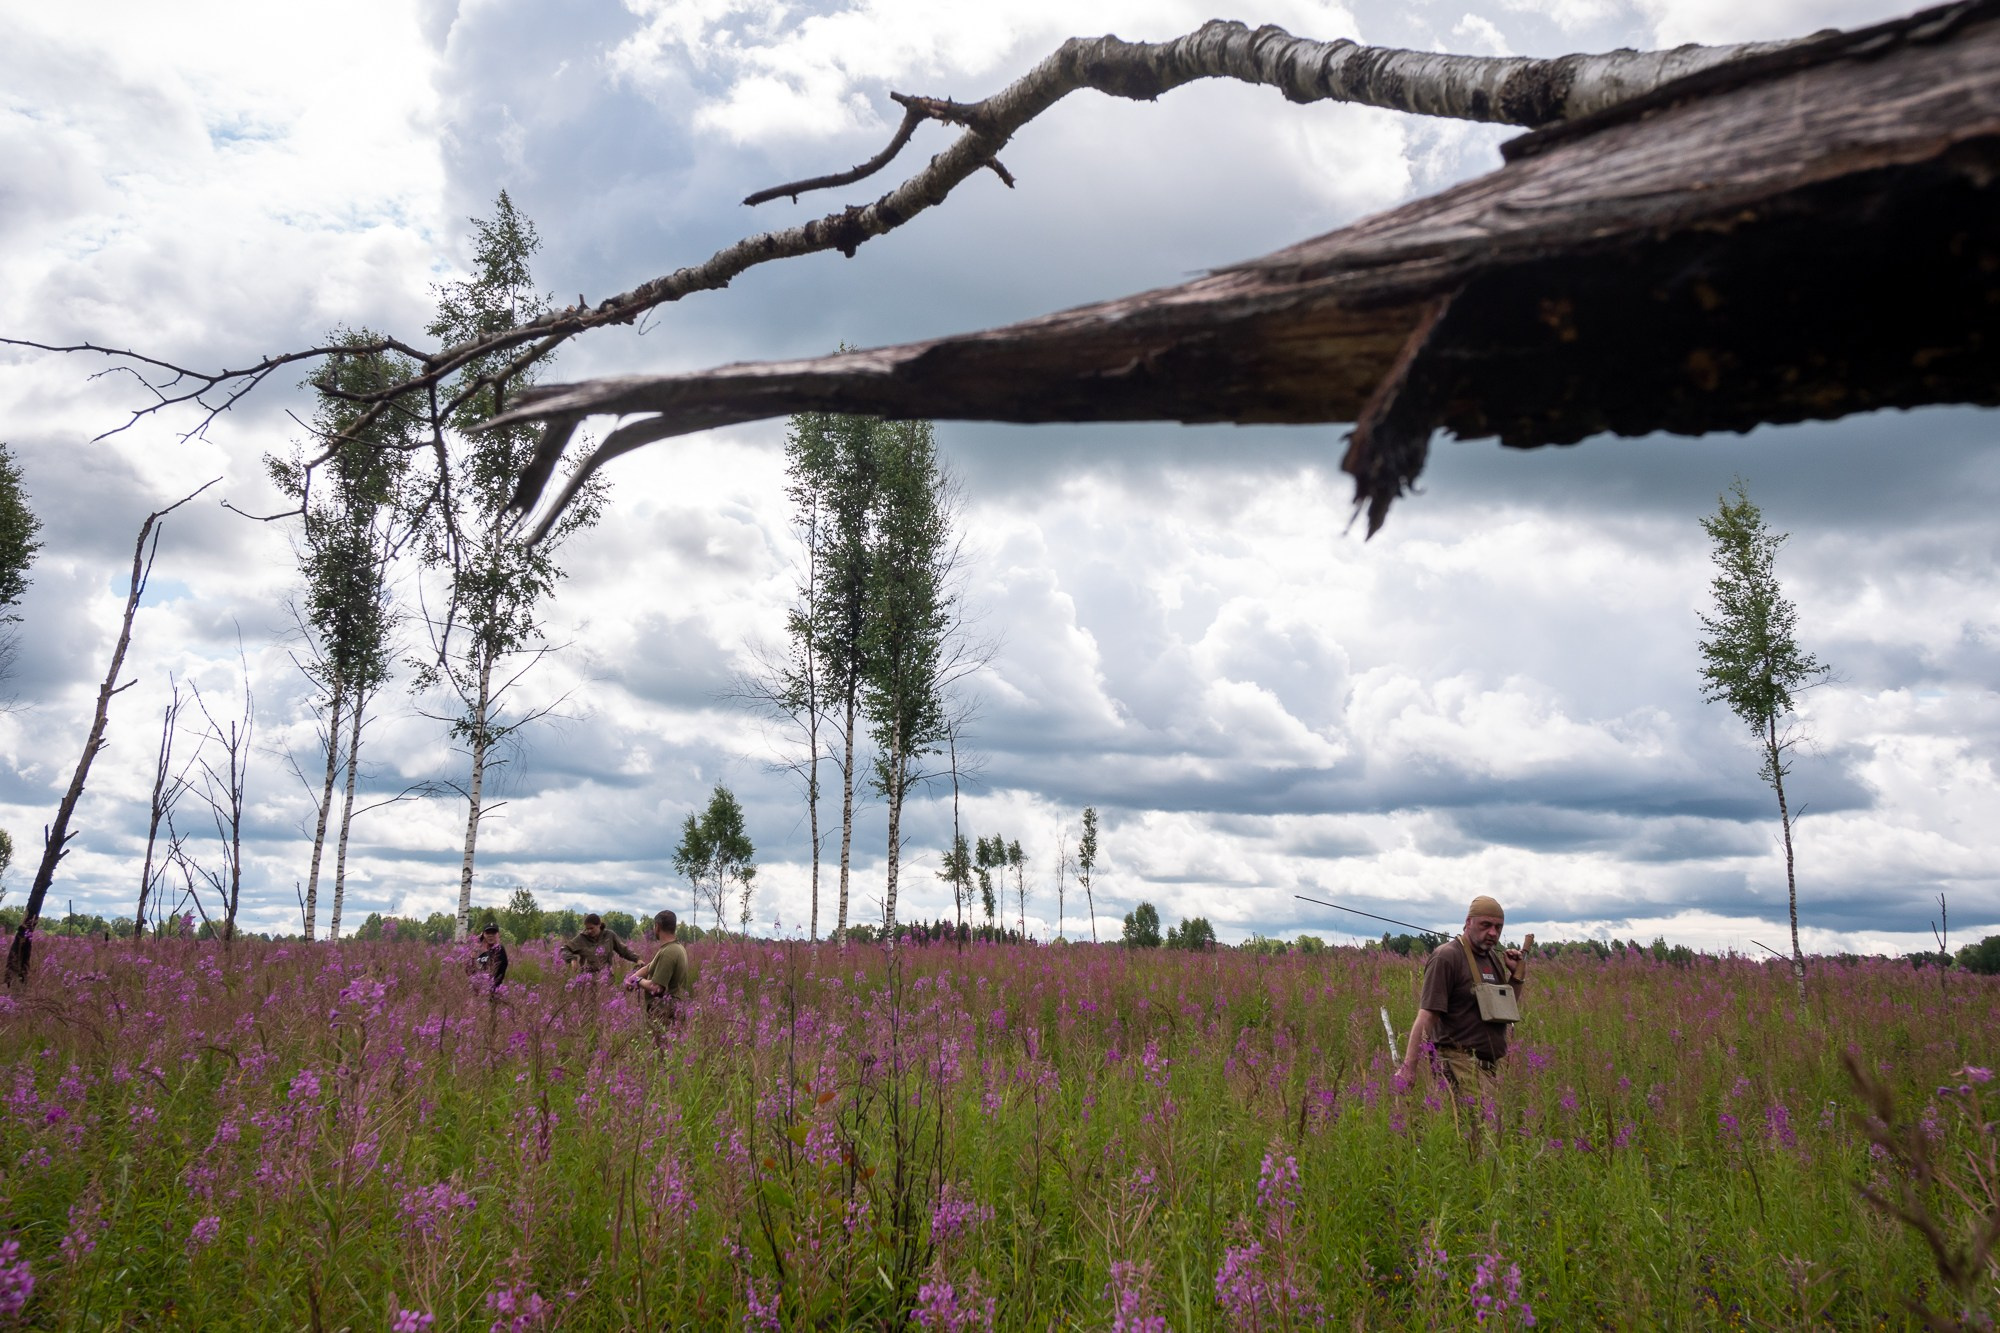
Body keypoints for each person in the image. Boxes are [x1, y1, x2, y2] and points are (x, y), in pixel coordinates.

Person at [1397, 895, 1527, 1109]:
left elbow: (1505, 1009)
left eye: (1498, 927)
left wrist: (1517, 976)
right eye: (1485, 925)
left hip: (1489, 1067)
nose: (1493, 933)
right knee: (1482, 1132)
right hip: (1458, 1065)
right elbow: (1427, 1015)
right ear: (1468, 922)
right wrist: (1408, 1067)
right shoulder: (1447, 957)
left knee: (1490, 1135)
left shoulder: (1492, 958)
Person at [625, 909, 690, 1024]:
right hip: (669, 1011)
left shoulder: (669, 952)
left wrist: (638, 981)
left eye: (654, 926)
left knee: (661, 1042)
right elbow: (650, 966)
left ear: (658, 927)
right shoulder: (674, 948)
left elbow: (656, 988)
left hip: (666, 1015)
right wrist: (632, 978)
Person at [560, 913, 639, 974]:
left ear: (599, 925)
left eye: (591, 928)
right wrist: (572, 959)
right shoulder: (582, 938)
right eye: (587, 929)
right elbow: (564, 949)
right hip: (587, 979)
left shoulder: (609, 935)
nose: (589, 931)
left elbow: (624, 950)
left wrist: (637, 959)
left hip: (606, 979)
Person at [470, 920, 509, 987]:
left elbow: (493, 971)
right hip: (480, 992)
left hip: (493, 992)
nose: (490, 935)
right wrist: (472, 958)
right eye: (488, 933)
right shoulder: (482, 954)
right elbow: (470, 972)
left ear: (498, 935)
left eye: (493, 933)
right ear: (483, 935)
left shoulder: (500, 950)